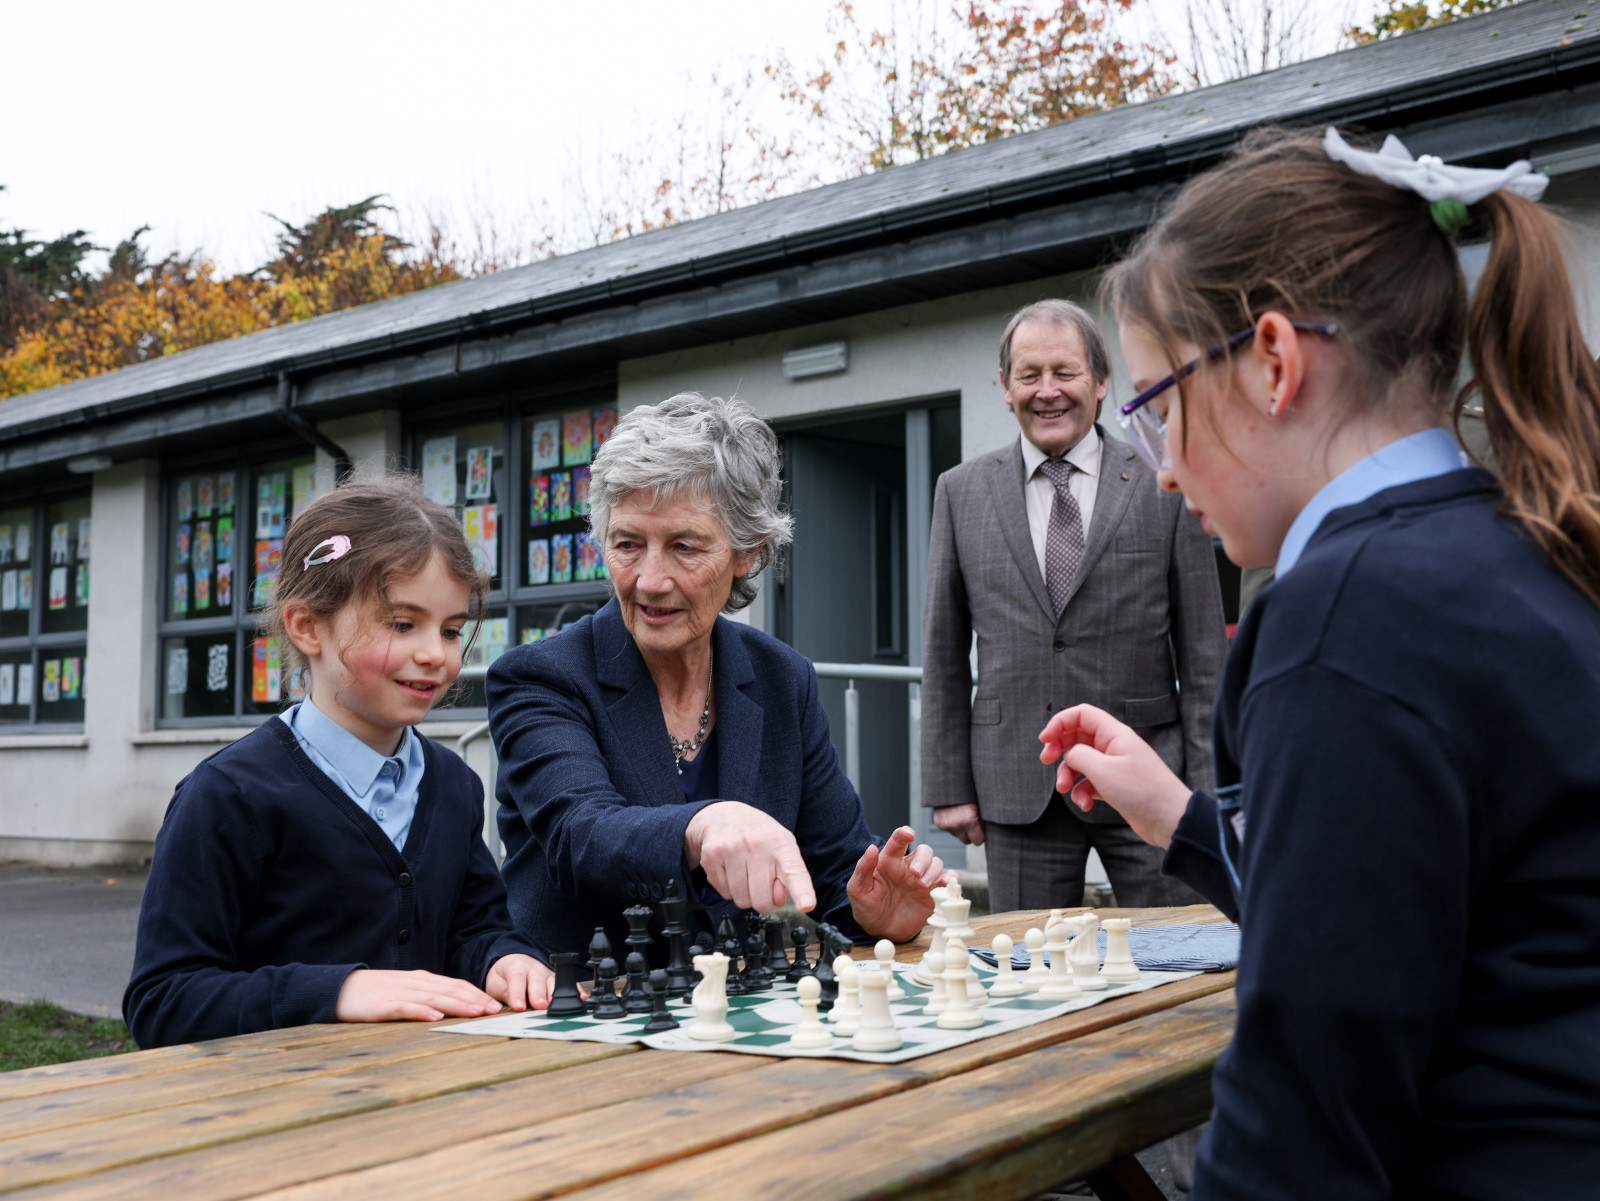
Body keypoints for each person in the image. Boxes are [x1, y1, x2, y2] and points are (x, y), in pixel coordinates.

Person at [1040, 128, 1600, 1198]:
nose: (1159, 473)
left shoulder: (1343, 614)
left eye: (1156, 408)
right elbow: (1433, 914)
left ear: (1272, 361)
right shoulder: (1510, 549)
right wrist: (1181, 820)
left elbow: (1308, 1106)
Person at [489, 392, 948, 961]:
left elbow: (837, 868)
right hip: (580, 1009)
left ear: (746, 554)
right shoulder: (541, 677)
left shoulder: (783, 679)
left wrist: (875, 911)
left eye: (684, 547)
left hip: (733, 1017)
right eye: (628, 544)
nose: (650, 580)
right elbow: (581, 836)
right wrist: (703, 826)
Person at [124, 478, 551, 1049]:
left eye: (451, 630)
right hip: (281, 1118)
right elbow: (164, 1001)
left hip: (425, 1108)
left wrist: (504, 958)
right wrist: (341, 992)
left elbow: (473, 929)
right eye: (403, 624)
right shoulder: (227, 795)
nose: (436, 653)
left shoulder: (454, 785)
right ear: (307, 627)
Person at [921, 298, 1227, 911]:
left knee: (1178, 959)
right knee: (1030, 981)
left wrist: (1207, 787)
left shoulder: (1163, 480)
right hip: (1017, 784)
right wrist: (948, 787)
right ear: (1004, 388)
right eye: (1029, 375)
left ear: (1101, 381)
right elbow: (944, 651)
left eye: (1065, 372)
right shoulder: (960, 492)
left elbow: (1203, 656)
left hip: (1150, 777)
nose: (1048, 391)